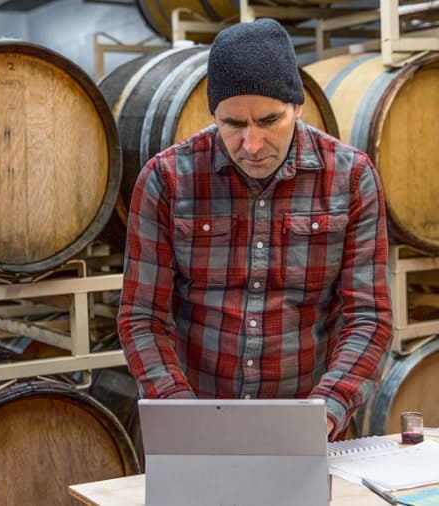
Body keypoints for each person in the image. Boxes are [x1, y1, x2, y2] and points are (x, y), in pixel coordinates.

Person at [116, 18, 393, 440]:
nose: (252, 144)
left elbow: (369, 319)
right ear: (213, 114)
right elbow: (142, 318)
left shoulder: (351, 177)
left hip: (309, 422)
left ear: (297, 106)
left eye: (269, 120)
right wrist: (179, 410)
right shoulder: (168, 179)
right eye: (233, 124)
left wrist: (328, 410)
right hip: (195, 420)